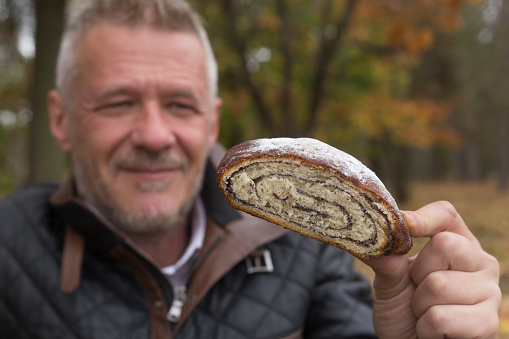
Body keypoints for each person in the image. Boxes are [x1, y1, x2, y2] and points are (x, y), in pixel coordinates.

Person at [0, 0, 501, 338]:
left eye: (180, 105)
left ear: (212, 118)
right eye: (117, 103)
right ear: (61, 120)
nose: (154, 135)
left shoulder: (302, 245)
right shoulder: (7, 249)